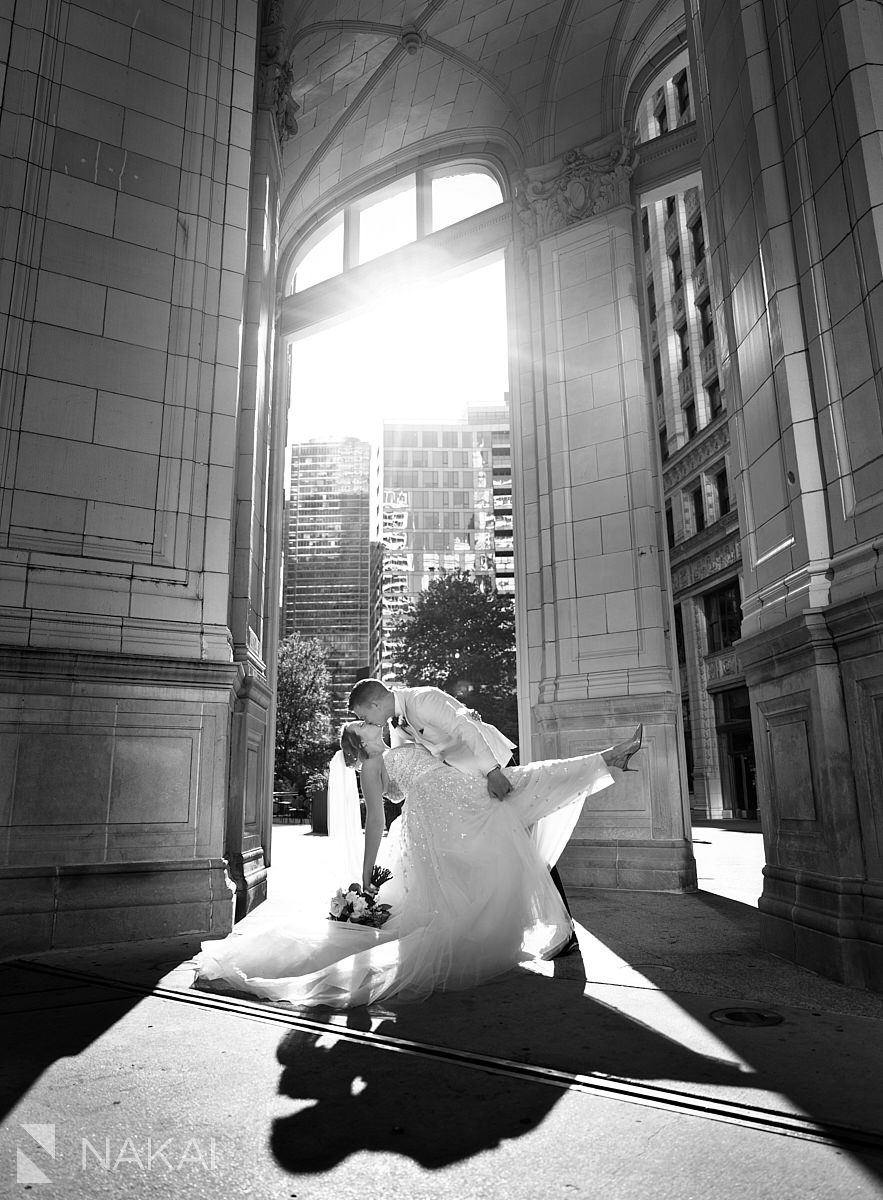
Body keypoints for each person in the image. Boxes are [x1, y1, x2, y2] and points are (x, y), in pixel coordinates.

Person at [194, 721, 643, 1010]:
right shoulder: (372, 764)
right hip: (443, 816)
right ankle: (608, 758)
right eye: (366, 727)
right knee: (525, 791)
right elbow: (376, 817)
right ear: (359, 743)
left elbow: (432, 757)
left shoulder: (401, 742)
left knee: (530, 780)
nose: (376, 726)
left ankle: (609, 757)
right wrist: (368, 875)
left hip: (462, 796)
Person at [348, 678, 635, 954]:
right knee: (508, 844)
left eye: (365, 716)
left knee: (524, 834)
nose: (370, 723)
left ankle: (562, 930)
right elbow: (410, 771)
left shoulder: (422, 700)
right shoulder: (397, 724)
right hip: (462, 784)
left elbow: (464, 728)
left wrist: (492, 772)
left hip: (490, 767)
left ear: (375, 704)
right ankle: (609, 759)